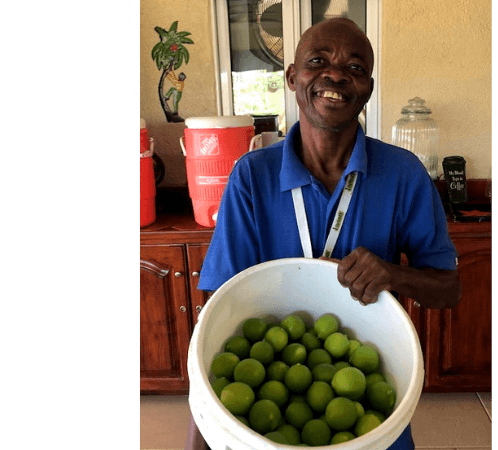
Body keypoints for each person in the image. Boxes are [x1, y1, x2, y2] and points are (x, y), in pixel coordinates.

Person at [186, 18, 462, 450]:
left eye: (354, 67)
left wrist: (392, 274)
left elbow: (449, 289)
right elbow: (216, 315)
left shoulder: (405, 174)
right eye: (318, 61)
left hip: (368, 407)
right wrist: (203, 433)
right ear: (293, 78)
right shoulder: (251, 176)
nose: (335, 74)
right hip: (264, 421)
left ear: (366, 89)